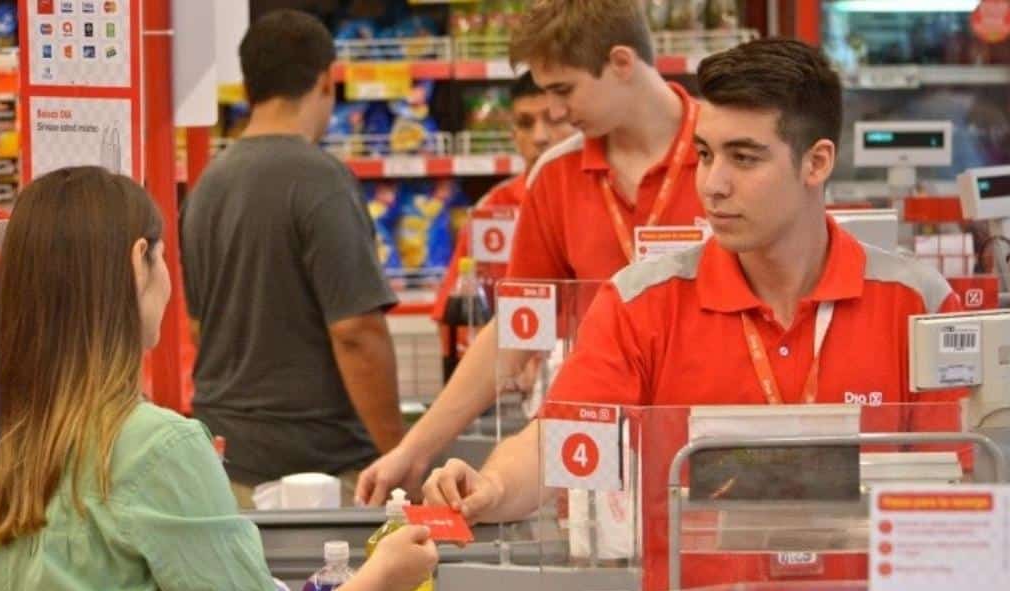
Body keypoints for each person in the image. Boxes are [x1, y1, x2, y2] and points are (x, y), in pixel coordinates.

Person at [420, 38, 965, 523]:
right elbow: (557, 440)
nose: (713, 185)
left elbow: (961, 483)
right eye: (705, 155)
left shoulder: (919, 304)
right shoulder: (639, 303)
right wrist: (491, 487)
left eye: (744, 158)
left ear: (816, 163)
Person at [0, 166, 438, 591]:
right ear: (138, 262)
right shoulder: (155, 449)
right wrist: (378, 575)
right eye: (164, 259)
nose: (170, 284)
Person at [357, 0, 704, 505]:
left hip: (711, 438)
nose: (556, 114)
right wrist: (414, 448)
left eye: (563, 90)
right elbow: (518, 329)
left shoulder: (725, 155)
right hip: (593, 451)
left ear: (622, 63)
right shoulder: (556, 177)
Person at [181, 10, 403, 507]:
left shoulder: (206, 187)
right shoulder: (320, 179)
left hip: (224, 465)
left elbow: (199, 327)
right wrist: (400, 455)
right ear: (326, 80)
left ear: (248, 85)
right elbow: (357, 334)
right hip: (320, 471)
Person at [429, 71, 575, 355]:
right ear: (513, 135)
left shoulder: (601, 196)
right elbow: (455, 313)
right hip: (510, 380)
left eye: (553, 120)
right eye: (525, 123)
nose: (540, 137)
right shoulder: (492, 209)